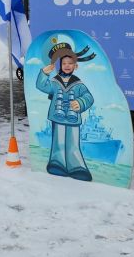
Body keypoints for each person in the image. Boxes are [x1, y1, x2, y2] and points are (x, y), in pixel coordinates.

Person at [37, 41, 94, 181]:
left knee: (73, 142)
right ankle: (57, 162)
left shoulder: (79, 83)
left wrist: (80, 103)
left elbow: (89, 97)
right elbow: (42, 86)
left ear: (76, 65)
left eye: (70, 63)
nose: (67, 66)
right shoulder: (55, 82)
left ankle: (77, 166)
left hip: (73, 118)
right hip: (58, 117)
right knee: (58, 141)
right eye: (64, 63)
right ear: (60, 65)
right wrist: (44, 73)